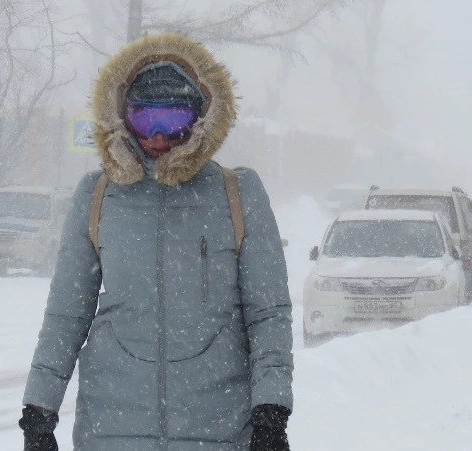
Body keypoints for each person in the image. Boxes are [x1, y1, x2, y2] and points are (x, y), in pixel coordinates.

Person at [18, 33, 294, 451]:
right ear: (123, 117)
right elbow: (66, 315)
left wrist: (272, 411)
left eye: (174, 118)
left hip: (218, 430)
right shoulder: (97, 196)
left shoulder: (238, 195)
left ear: (199, 117)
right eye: (146, 119)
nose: (160, 136)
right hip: (112, 429)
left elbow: (268, 313)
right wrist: (39, 411)